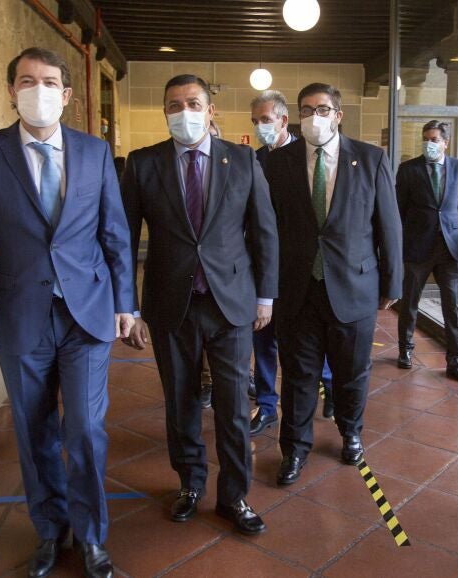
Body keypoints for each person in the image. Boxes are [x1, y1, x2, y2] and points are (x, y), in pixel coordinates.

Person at [0, 47, 135, 578]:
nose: (39, 90)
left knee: (85, 429)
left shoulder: (95, 152)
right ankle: (51, 530)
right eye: (27, 81)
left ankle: (92, 535)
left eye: (50, 81)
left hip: (87, 313)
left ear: (67, 94)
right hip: (19, 314)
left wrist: (126, 302)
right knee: (34, 433)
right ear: (11, 91)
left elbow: (114, 231)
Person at [119, 74, 278, 535]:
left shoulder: (243, 159)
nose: (183, 112)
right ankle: (190, 484)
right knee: (181, 401)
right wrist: (129, 307)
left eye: (193, 103)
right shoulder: (144, 164)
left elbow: (264, 231)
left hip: (231, 303)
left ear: (210, 111)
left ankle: (234, 495)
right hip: (171, 304)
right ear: (164, 113)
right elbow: (122, 238)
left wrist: (265, 296)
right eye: (174, 105)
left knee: (233, 405)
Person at [263, 83, 402, 485]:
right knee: (298, 375)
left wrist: (392, 283)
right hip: (297, 288)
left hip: (355, 287)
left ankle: (351, 432)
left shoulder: (371, 159)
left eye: (322, 109)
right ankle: (294, 448)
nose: (314, 117)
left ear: (338, 115)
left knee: (352, 372)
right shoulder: (278, 163)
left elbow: (389, 225)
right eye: (306, 110)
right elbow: (267, 228)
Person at [248, 90, 336, 435]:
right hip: (264, 267)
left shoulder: (309, 155)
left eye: (265, 120)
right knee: (263, 339)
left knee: (309, 341)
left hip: (303, 269)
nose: (260, 127)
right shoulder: (253, 160)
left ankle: (328, 386)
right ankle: (267, 405)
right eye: (255, 121)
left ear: (284, 120)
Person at [395, 120, 458, 382]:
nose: (429, 143)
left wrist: (448, 229)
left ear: (445, 143)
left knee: (453, 307)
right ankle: (405, 349)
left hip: (450, 248)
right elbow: (400, 208)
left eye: (434, 139)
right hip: (418, 245)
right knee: (410, 301)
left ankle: (456, 360)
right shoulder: (408, 169)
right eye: (426, 139)